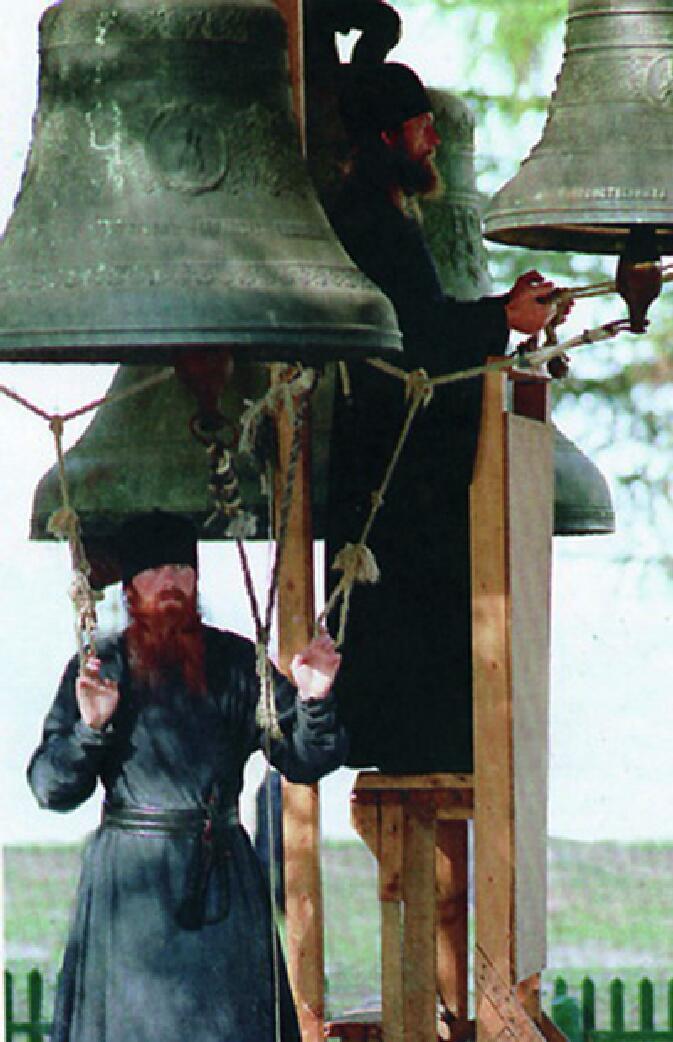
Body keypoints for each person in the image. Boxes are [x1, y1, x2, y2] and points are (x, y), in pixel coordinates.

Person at [325, 60, 565, 772]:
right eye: (422, 128)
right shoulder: (370, 215)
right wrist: (502, 317)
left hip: (393, 450)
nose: (433, 141)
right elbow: (416, 337)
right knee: (414, 610)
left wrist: (505, 313)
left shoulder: (381, 210)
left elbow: (421, 324)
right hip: (391, 456)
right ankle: (420, 748)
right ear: (387, 137)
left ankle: (423, 745)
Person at [28, 511, 346, 1042]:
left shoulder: (237, 661)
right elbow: (50, 787)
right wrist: (90, 729)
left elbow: (306, 758)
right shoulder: (101, 667)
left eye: (181, 568)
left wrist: (314, 699)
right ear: (130, 587)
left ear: (196, 579)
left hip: (221, 881)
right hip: (130, 888)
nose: (170, 581)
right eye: (154, 571)